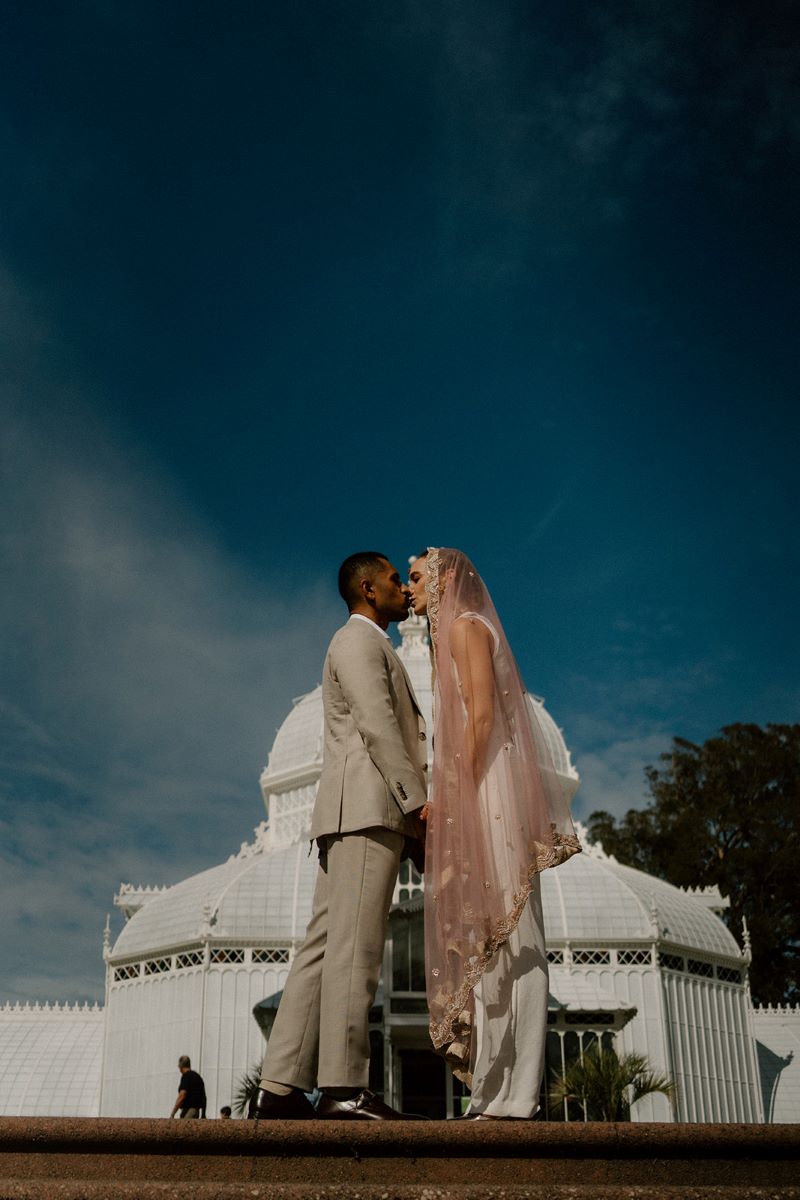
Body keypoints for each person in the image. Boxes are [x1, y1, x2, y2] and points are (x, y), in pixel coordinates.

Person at [249, 552, 429, 1121]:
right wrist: (417, 804)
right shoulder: (358, 642)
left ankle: (278, 1089)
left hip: (350, 814)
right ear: (370, 590)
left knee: (325, 946)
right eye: (396, 581)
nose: (404, 590)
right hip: (366, 812)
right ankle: (343, 1087)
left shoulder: (370, 644)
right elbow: (378, 724)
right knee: (355, 950)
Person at [408, 548, 581, 1120]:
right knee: (489, 936)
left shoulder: (463, 627)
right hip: (480, 787)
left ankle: (514, 1093)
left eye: (415, 577)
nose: (408, 589)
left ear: (444, 579)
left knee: (511, 932)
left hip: (487, 791)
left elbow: (481, 717)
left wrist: (452, 789)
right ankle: (495, 1089)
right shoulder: (455, 635)